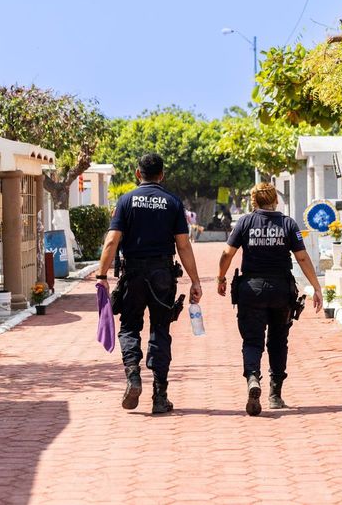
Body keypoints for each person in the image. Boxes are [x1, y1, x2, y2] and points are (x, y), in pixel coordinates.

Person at [97, 153, 203, 414]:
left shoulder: (125, 201)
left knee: (130, 326)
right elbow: (183, 245)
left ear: (137, 173)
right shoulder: (173, 202)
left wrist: (101, 276)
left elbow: (111, 241)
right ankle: (160, 395)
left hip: (132, 274)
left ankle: (133, 374)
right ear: (162, 175)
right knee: (160, 330)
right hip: (162, 275)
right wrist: (195, 280)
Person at [217, 182, 322, 416]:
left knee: (252, 341)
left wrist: (221, 278)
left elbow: (227, 253)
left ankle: (253, 377)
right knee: (277, 341)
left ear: (254, 201)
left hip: (251, 289)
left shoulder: (245, 222)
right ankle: (275, 395)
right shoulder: (287, 224)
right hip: (280, 291)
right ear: (275, 199)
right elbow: (302, 258)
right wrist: (316, 287)